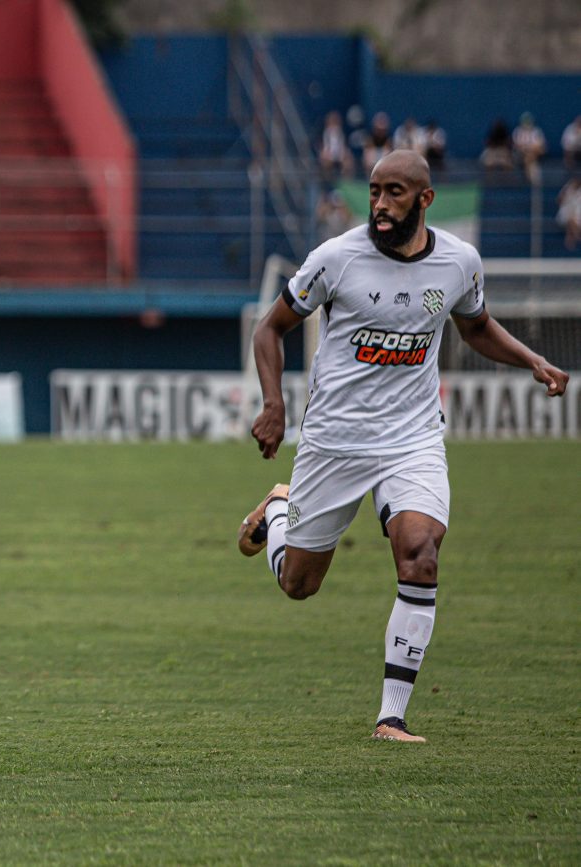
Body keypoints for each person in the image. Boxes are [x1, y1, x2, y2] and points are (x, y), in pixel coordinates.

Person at [237, 151, 569, 744]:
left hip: (412, 438)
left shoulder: (458, 263)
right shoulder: (337, 258)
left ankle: (391, 717)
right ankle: (278, 510)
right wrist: (273, 404)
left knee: (420, 551)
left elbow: (475, 325)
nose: (380, 204)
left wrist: (532, 360)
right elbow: (270, 328)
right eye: (374, 191)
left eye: (394, 192)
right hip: (335, 441)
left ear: (424, 199)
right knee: (299, 584)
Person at [512, 112, 547, 184]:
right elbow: (516, 146)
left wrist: (529, 149)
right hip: (521, 155)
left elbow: (541, 146)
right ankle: (534, 180)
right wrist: (526, 149)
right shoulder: (517, 131)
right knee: (529, 158)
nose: (527, 124)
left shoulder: (536, 131)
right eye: (525, 122)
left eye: (528, 122)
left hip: (535, 154)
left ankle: (532, 179)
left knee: (531, 156)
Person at [318, 110, 354, 180]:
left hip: (339, 154)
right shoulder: (324, 133)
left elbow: (343, 146)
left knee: (348, 161)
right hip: (328, 154)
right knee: (325, 160)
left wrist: (344, 153)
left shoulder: (341, 133)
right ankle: (328, 180)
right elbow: (323, 146)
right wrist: (326, 153)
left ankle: (346, 181)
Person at [556, 177, 581, 250]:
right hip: (565, 213)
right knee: (571, 220)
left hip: (577, 215)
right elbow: (558, 200)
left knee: (573, 220)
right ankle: (574, 236)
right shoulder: (567, 188)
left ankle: (570, 237)